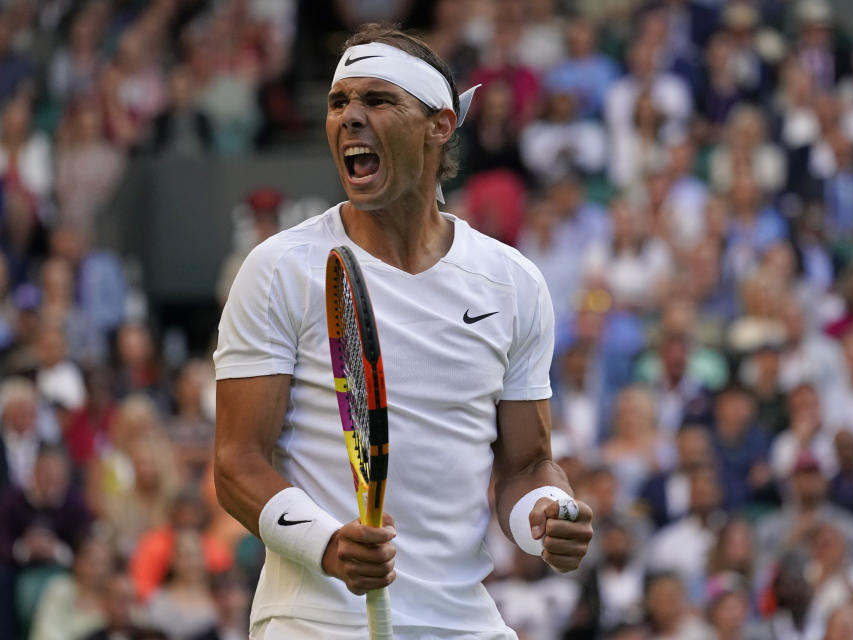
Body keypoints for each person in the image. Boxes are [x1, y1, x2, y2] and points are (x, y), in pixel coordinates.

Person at [213, 24, 594, 640]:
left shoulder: (513, 282)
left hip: (463, 620)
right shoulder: (279, 269)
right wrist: (329, 544)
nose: (349, 118)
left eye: (377, 100)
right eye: (339, 103)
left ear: (439, 124)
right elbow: (236, 463)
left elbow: (526, 465)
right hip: (314, 621)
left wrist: (547, 517)